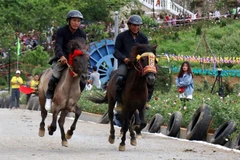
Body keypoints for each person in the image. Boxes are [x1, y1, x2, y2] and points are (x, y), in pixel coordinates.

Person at [45, 10, 86, 110]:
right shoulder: (61, 31)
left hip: (75, 60)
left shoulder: (82, 34)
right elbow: (58, 45)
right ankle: (49, 97)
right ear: (69, 21)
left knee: (83, 81)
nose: (76, 23)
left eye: (78, 21)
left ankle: (75, 99)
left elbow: (81, 48)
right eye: (74, 20)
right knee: (55, 76)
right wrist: (62, 56)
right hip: (62, 58)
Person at [113, 14, 154, 104]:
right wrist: (124, 59)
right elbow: (116, 51)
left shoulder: (143, 38)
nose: (136, 27)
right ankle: (119, 101)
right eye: (134, 25)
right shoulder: (121, 36)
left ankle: (146, 100)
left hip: (140, 64)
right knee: (120, 78)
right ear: (129, 25)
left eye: (138, 25)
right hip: (126, 63)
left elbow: (148, 51)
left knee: (151, 78)